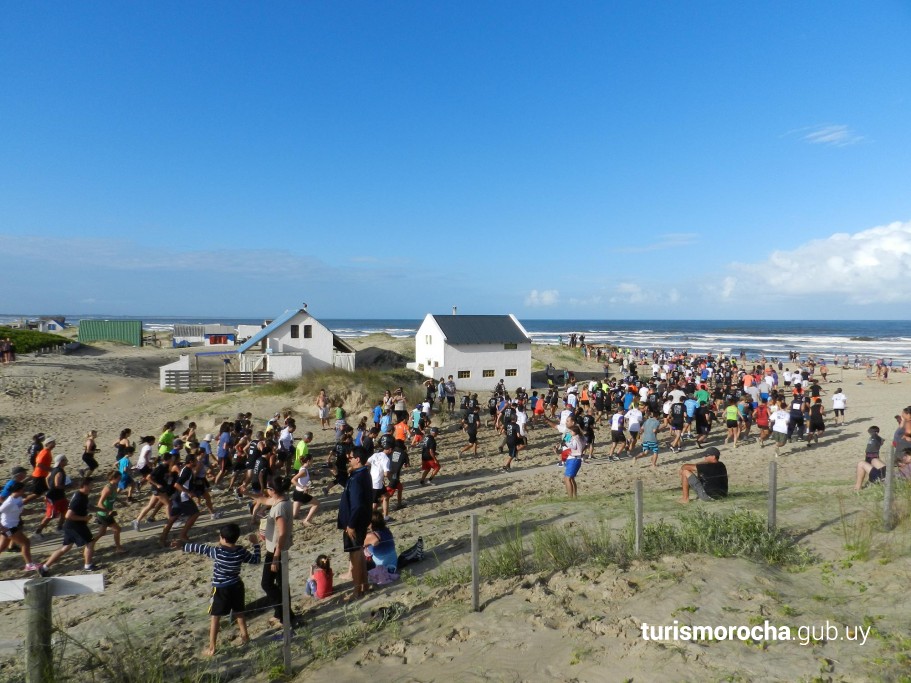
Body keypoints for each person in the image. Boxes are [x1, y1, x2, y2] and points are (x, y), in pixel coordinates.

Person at [182, 523, 261, 656]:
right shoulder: (241, 551)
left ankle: (212, 648)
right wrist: (256, 544)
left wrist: (183, 546)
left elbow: (201, 548)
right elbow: (256, 560)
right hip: (236, 586)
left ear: (223, 538)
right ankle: (245, 637)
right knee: (239, 612)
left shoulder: (218, 552)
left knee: (215, 617)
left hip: (220, 589)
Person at [38, 477, 99, 575]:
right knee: (90, 543)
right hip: (75, 525)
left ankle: (44, 567)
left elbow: (87, 506)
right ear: (85, 485)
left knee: (65, 548)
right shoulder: (79, 497)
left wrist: (102, 510)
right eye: (91, 485)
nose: (93, 487)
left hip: (71, 526)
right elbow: (68, 515)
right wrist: (84, 518)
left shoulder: (82, 495)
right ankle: (88, 565)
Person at [258, 476, 295, 628]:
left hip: (276, 551)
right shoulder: (283, 499)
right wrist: (247, 493)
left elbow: (283, 532)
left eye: (268, 488)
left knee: (267, 583)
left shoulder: (279, 507)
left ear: (273, 490)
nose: (266, 491)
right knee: (281, 584)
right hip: (277, 549)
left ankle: (285, 615)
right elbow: (265, 501)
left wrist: (276, 556)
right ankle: (282, 613)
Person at [337, 447, 373, 600]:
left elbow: (357, 505)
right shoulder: (361, 474)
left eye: (351, 457)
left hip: (354, 523)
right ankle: (364, 586)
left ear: (358, 459)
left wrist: (350, 525)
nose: (349, 459)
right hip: (360, 521)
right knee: (359, 555)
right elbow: (348, 487)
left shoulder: (358, 477)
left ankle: (357, 591)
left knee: (355, 557)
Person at [0, 482, 39, 571]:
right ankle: (29, 565)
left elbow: (20, 510)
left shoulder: (18, 498)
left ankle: (29, 564)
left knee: (2, 547)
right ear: (18, 490)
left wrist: (34, 511)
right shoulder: (8, 503)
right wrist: (2, 528)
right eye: (23, 489)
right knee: (25, 543)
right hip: (8, 527)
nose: (24, 491)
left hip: (11, 526)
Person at [35, 453, 69, 537]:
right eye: (65, 460)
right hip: (53, 497)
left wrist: (50, 487)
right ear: (61, 462)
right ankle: (38, 531)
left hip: (59, 496)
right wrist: (67, 487)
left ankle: (59, 528)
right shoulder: (60, 472)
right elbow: (57, 485)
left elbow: (47, 478)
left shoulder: (54, 469)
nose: (66, 461)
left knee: (65, 512)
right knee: (50, 516)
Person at [92, 470, 125, 554]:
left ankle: (90, 545)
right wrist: (109, 511)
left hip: (106, 513)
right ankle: (118, 547)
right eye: (119, 478)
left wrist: (121, 501)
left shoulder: (114, 485)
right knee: (117, 529)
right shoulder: (108, 488)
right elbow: (99, 503)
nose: (120, 479)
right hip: (104, 514)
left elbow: (113, 496)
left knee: (102, 533)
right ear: (113, 478)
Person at [290, 454, 319, 526]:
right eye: (312, 460)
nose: (313, 462)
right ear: (308, 461)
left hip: (296, 493)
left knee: (294, 515)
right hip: (301, 493)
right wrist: (303, 487)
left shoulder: (303, 468)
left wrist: (313, 473)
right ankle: (307, 520)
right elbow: (293, 480)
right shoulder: (303, 471)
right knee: (317, 504)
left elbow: (303, 477)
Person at [563, 425, 583, 498]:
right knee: (570, 478)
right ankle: (574, 496)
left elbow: (574, 446)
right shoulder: (580, 438)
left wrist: (566, 443)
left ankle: (570, 497)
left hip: (574, 459)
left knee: (567, 478)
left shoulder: (576, 438)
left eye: (571, 431)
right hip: (574, 458)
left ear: (575, 432)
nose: (570, 433)